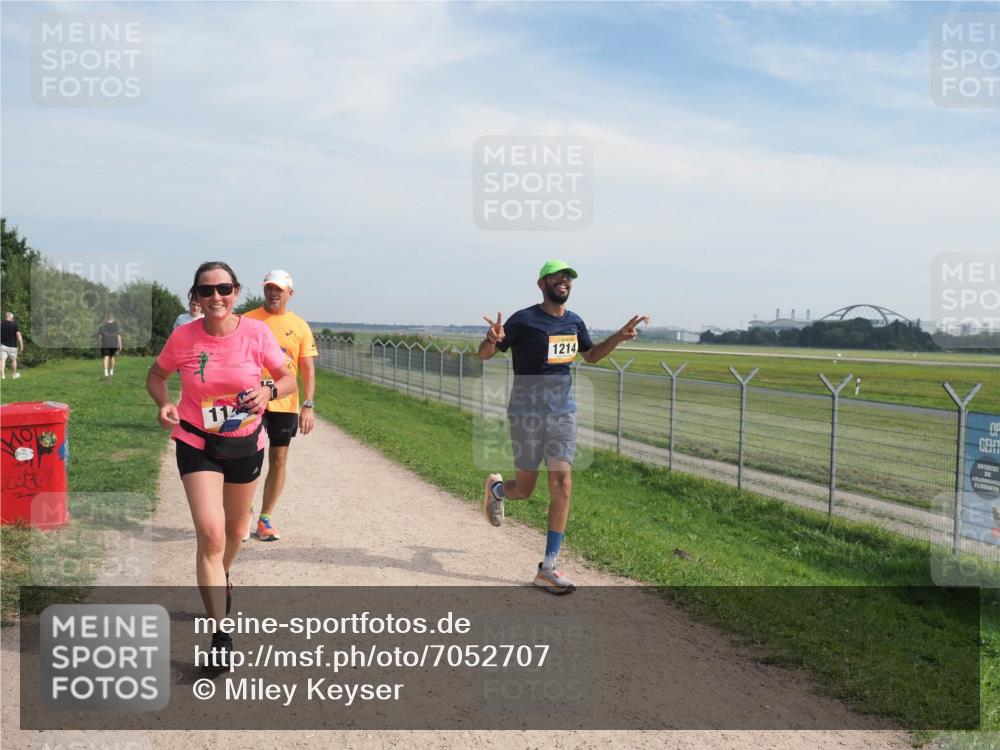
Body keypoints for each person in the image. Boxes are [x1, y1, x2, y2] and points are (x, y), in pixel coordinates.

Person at [146, 261, 295, 670]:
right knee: (211, 536)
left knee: (235, 531)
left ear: (235, 291)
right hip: (197, 441)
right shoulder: (184, 337)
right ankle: (220, 635)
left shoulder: (256, 333)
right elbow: (156, 376)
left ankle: (220, 575)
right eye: (206, 291)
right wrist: (165, 404)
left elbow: (287, 379)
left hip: (246, 443)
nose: (216, 298)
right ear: (195, 296)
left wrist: (267, 392)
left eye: (224, 289)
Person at [478, 260, 649, 594]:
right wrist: (490, 339)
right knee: (524, 490)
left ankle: (548, 567)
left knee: (563, 483)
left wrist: (618, 337)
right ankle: (496, 491)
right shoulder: (523, 320)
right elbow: (484, 355)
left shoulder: (574, 322)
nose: (564, 281)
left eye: (569, 277)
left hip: (562, 414)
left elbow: (592, 355)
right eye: (557, 276)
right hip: (526, 413)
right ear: (541, 283)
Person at [243, 270, 318, 542]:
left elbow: (307, 369)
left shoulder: (299, 326)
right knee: (248, 457)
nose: (273, 293)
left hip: (285, 402)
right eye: (269, 288)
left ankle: (265, 518)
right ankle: (243, 513)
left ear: (290, 293)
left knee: (278, 458)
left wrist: (307, 406)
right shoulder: (247, 320)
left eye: (279, 289)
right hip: (251, 400)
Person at [1, 312, 24, 380]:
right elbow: (18, 336)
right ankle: (13, 375)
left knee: (2, 360)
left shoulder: (1, 324)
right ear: (11, 317)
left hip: (2, 346)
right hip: (13, 346)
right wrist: (21, 345)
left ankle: (2, 375)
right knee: (13, 360)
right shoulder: (14, 325)